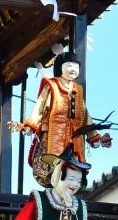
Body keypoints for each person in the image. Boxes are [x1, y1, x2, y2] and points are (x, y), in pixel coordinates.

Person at [19, 51, 110, 186]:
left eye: (76, 66)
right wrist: (31, 124)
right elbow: (40, 106)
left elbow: (85, 115)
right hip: (53, 135)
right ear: (60, 67)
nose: (73, 69)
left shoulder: (78, 90)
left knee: (73, 170)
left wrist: (94, 136)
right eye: (70, 66)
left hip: (74, 139)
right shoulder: (52, 86)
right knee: (51, 167)